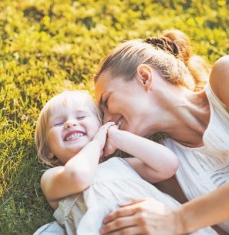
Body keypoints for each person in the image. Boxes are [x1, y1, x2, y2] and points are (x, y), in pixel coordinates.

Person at [93, 29, 229, 234]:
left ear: (144, 77)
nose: (106, 120)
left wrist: (178, 219)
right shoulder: (166, 172)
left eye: (107, 101)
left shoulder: (224, 76)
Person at [33, 90, 216, 235]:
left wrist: (118, 137)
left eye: (81, 117)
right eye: (58, 123)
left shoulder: (121, 165)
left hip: (162, 224)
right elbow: (79, 176)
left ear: (100, 126)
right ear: (49, 151)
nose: (70, 124)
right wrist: (97, 143)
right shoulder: (53, 177)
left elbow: (168, 165)